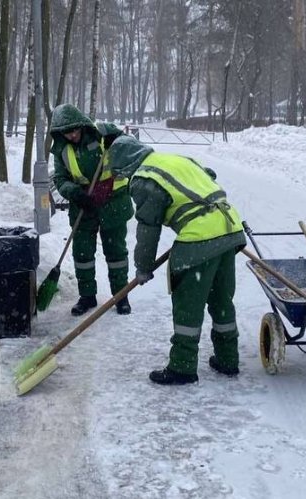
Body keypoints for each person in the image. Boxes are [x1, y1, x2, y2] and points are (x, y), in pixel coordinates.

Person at [107, 135, 247, 385]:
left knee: (188, 302)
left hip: (201, 237)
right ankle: (228, 359)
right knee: (220, 299)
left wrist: (143, 267)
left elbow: (148, 228)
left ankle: (182, 366)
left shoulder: (145, 178)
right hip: (230, 227)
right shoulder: (174, 159)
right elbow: (209, 175)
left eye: (120, 173)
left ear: (125, 165)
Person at [50, 104, 134, 316]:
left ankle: (121, 295)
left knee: (116, 253)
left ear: (81, 124)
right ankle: (87, 296)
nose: (72, 135)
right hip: (83, 205)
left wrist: (117, 139)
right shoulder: (62, 149)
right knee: (82, 253)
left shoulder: (102, 133)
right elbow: (60, 179)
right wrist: (74, 193)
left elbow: (131, 147)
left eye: (75, 129)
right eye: (67, 132)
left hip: (112, 202)